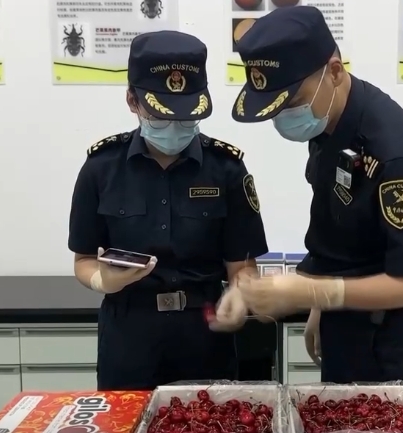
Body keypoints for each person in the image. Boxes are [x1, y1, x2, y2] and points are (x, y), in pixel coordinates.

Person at [230, 6, 403, 409]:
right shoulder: (329, 124)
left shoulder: (395, 153)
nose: (285, 116)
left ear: (333, 71)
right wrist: (317, 302)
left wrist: (316, 291)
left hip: (392, 342)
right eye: (276, 107)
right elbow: (339, 229)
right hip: (345, 326)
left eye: (293, 100)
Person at [68, 30, 268, 390]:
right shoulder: (101, 169)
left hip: (204, 334)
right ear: (132, 100)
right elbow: (83, 259)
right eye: (161, 116)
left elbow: (242, 266)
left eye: (188, 117)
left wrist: (241, 294)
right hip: (129, 333)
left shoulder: (226, 169)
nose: (175, 126)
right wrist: (101, 280)